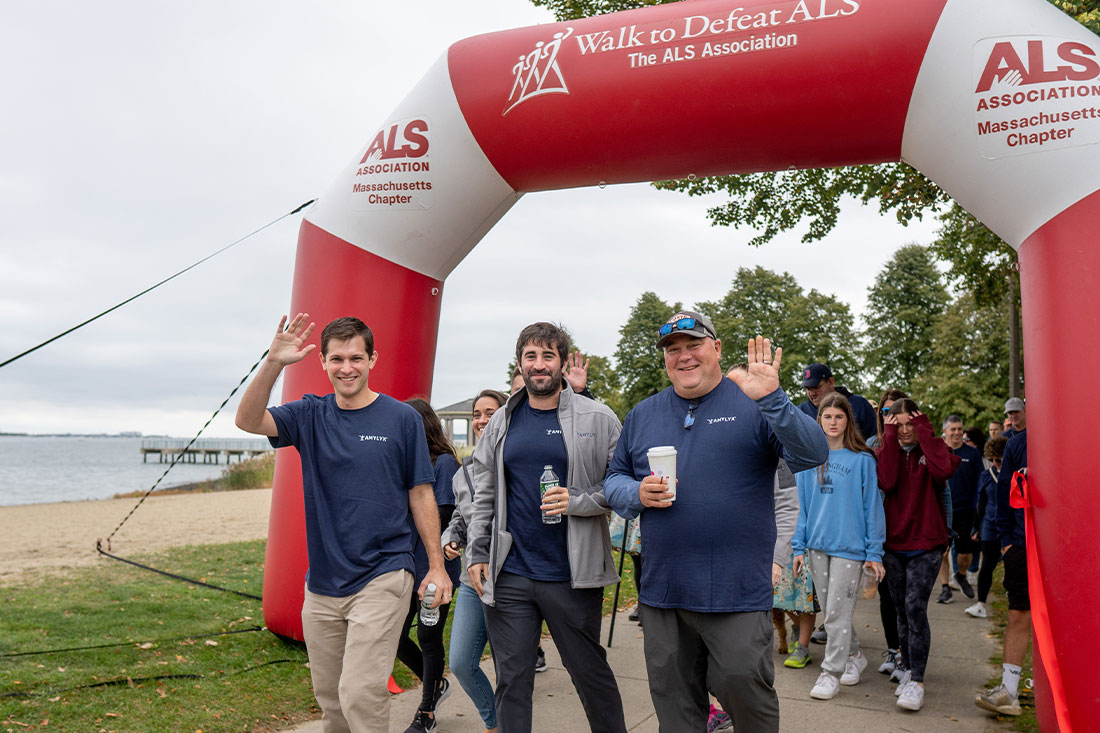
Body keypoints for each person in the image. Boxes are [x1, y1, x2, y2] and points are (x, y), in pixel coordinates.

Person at [605, 311, 828, 733]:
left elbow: (813, 453)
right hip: (664, 592)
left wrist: (773, 399)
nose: (684, 357)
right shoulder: (643, 414)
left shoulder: (755, 403)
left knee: (746, 694)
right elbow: (613, 479)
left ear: (717, 348)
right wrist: (634, 493)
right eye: (674, 350)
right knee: (675, 706)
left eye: (694, 345)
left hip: (737, 591)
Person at [234, 314, 452, 732]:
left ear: (373, 359)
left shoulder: (401, 419)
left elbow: (421, 493)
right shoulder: (310, 415)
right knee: (332, 702)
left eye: (355, 357)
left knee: (360, 693)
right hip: (323, 584)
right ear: (322, 362)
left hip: (385, 573)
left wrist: (436, 567)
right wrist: (274, 363)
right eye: (336, 358)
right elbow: (247, 420)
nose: (346, 367)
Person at [466, 323, 626, 733]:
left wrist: (576, 501)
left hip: (571, 576)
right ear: (519, 362)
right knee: (513, 681)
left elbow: (621, 487)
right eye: (531, 357)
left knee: (589, 674)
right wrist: (477, 552)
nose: (539, 365)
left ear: (561, 362)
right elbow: (483, 492)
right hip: (512, 573)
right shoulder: (502, 420)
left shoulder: (599, 417)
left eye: (548, 356)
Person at [792, 392, 885, 701]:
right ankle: (855, 654)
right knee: (834, 612)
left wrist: (874, 553)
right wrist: (797, 547)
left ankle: (830, 672)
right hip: (817, 547)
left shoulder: (862, 460)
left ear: (848, 421)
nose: (833, 422)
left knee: (834, 612)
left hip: (849, 548)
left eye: (839, 416)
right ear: (819, 422)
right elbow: (802, 509)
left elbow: (873, 508)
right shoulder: (807, 462)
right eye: (827, 417)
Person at [877, 398, 960, 712]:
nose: (905, 430)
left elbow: (943, 470)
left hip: (926, 545)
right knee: (901, 610)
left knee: (915, 607)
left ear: (921, 423)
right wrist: (889, 435)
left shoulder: (935, 450)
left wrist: (926, 431)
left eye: (910, 423)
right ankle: (909, 669)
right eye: (899, 424)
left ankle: (919, 680)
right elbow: (886, 480)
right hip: (894, 545)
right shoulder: (889, 450)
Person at [442, 389, 507, 733]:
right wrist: (450, 539)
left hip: (512, 578)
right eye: (477, 415)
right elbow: (460, 516)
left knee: (511, 667)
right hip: (472, 581)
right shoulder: (461, 473)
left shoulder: (515, 461)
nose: (482, 420)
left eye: (490, 412)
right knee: (461, 663)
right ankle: (494, 722)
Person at [396, 399, 462, 733]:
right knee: (394, 634)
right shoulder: (404, 464)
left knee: (428, 636)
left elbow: (446, 517)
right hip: (405, 567)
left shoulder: (444, 464)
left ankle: (426, 713)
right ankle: (434, 683)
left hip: (436, 570)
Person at [976, 422, 1030, 717]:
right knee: (1018, 612)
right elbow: (1004, 495)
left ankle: (1056, 689)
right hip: (1022, 544)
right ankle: (1009, 691)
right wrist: (1007, 542)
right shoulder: (1017, 444)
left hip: (1067, 549)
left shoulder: (1078, 433)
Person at [936, 416, 982, 604]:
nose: (956, 433)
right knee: (942, 552)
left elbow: (980, 482)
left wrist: (977, 508)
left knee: (965, 554)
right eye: (953, 429)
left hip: (965, 511)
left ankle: (961, 576)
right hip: (941, 510)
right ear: (945, 431)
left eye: (959, 429)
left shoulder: (972, 454)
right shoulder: (938, 452)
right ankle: (945, 588)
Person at [965, 435, 1007, 620]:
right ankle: (981, 603)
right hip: (990, 525)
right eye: (994, 460)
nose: (997, 464)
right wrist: (975, 527)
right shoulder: (987, 475)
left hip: (1010, 526)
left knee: (1012, 564)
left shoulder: (1016, 474)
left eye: (1000, 460)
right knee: (987, 565)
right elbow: (981, 503)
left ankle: (1013, 597)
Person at [798, 363, 877, 443]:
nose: (812, 393)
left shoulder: (859, 405)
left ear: (831, 382)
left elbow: (875, 440)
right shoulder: (800, 412)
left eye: (816, 387)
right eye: (808, 389)